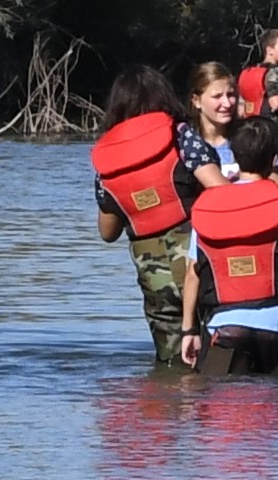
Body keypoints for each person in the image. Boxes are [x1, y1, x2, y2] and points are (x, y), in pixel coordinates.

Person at [91, 65, 230, 363]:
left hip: (151, 270)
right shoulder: (179, 135)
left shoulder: (107, 156)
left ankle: (170, 401)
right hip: (195, 258)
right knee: (215, 350)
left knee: (172, 358)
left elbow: (107, 232)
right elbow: (219, 191)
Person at [180, 117, 278, 376]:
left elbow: (194, 272)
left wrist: (189, 330)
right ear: (274, 158)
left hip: (224, 328)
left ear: (234, 156)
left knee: (219, 406)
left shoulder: (208, 206)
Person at [238, 28, 278, 150]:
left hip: (249, 134)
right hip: (271, 135)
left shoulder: (247, 72)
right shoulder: (276, 73)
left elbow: (241, 109)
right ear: (270, 50)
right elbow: (276, 103)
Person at [187, 61, 241, 180]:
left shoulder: (248, 138)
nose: (227, 103)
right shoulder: (185, 146)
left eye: (231, 95)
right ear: (196, 101)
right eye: (217, 96)